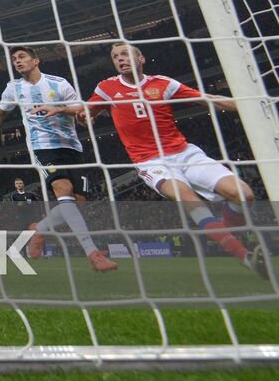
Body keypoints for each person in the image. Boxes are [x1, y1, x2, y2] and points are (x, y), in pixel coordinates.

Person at [82, 42, 265, 277]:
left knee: (244, 195)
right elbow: (87, 109)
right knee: (189, 198)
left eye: (126, 54)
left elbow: (209, 99)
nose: (120, 59)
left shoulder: (163, 84)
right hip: (151, 162)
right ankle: (246, 257)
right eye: (116, 56)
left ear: (141, 59)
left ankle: (227, 234)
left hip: (184, 153)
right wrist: (80, 115)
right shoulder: (107, 87)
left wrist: (251, 106)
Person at [0, 45, 117, 272]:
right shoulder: (14, 87)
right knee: (63, 190)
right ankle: (93, 254)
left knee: (78, 203)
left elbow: (79, 109)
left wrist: (70, 113)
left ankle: (39, 229)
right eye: (14, 59)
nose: (17, 61)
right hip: (43, 148)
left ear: (36, 60)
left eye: (22, 57)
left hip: (72, 147)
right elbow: (0, 113)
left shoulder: (58, 83)